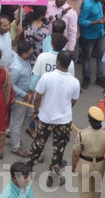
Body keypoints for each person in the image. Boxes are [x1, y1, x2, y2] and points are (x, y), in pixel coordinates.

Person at [30, 50, 81, 185]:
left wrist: (36, 111)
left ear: (57, 62)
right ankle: (53, 175)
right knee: (59, 149)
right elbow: (73, 102)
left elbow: (38, 97)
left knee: (38, 143)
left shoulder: (47, 77)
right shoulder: (75, 82)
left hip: (45, 117)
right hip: (64, 121)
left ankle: (27, 169)